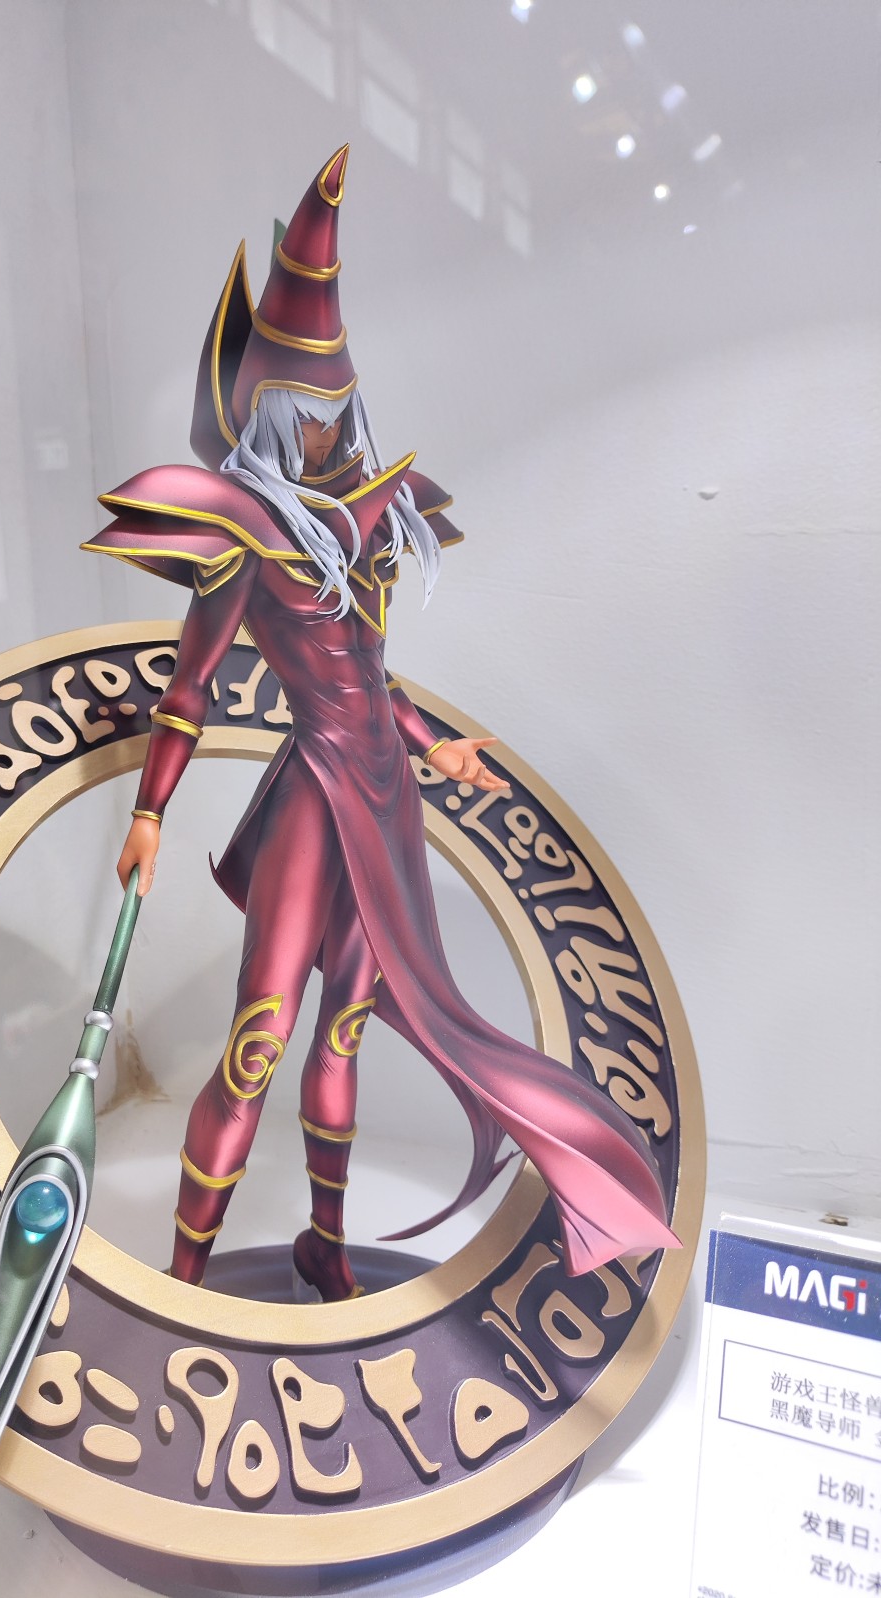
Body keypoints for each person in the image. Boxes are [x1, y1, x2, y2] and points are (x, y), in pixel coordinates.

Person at [83, 146, 679, 1301]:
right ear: (270, 416)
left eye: (337, 413)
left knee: (344, 1034)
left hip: (386, 800)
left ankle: (327, 1245)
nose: (327, 434)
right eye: (307, 416)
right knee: (261, 1036)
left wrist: (433, 746)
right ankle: (186, 1278)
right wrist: (151, 811)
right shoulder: (245, 536)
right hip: (312, 802)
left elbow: (371, 682)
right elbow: (190, 689)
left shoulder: (366, 526)